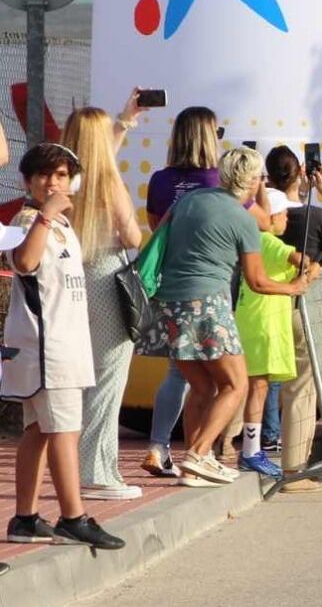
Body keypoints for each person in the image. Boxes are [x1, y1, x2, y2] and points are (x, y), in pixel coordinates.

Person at [154, 148, 311, 485]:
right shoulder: (243, 220)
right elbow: (257, 281)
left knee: (201, 386)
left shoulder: (190, 201)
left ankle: (193, 466)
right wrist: (294, 288)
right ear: (254, 181)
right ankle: (198, 453)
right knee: (235, 384)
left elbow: (160, 235)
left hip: (169, 301)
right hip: (208, 303)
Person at [3, 144, 125, 549]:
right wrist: (45, 215)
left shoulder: (64, 224)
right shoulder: (29, 220)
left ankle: (24, 517)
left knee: (38, 431)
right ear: (27, 181)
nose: (52, 183)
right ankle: (74, 516)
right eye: (43, 175)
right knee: (65, 432)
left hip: (65, 345)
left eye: (60, 175)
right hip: (47, 349)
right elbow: (24, 262)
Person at [142, 106, 267, 480]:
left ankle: (160, 446)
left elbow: (157, 228)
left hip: (171, 287)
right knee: (230, 382)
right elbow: (265, 221)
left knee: (184, 377)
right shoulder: (219, 182)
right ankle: (201, 453)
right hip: (211, 289)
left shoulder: (161, 181)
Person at [62, 102, 146, 502]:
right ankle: (98, 471)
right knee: (108, 377)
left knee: (76, 377)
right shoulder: (108, 184)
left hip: (67, 276)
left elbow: (100, 155)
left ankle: (77, 466)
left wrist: (125, 122)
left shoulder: (62, 180)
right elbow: (133, 239)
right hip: (105, 276)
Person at [265, 146, 322, 493]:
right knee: (300, 387)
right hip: (303, 304)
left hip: (262, 303)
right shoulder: (315, 216)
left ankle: (230, 451)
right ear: (302, 172)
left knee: (253, 383)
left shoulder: (262, 215)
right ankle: (293, 471)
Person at [233, 189, 320, 478]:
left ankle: (244, 447)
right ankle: (250, 450)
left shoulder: (256, 239)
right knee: (256, 388)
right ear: (270, 216)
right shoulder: (269, 241)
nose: (286, 219)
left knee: (253, 387)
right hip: (263, 323)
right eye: (283, 214)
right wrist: (313, 269)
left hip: (255, 318)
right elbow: (302, 260)